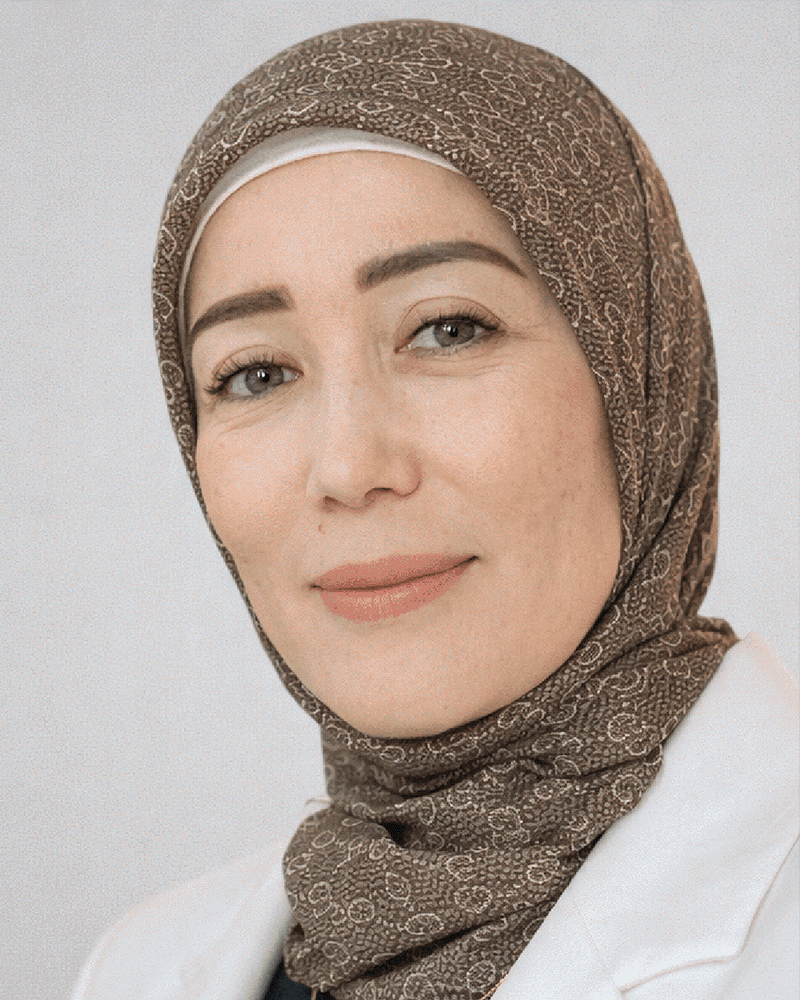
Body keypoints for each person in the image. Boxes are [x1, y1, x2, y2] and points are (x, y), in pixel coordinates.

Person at [71, 20, 798, 1000]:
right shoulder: (140, 967)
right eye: (254, 373)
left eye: (447, 328)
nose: (346, 465)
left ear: (638, 373)